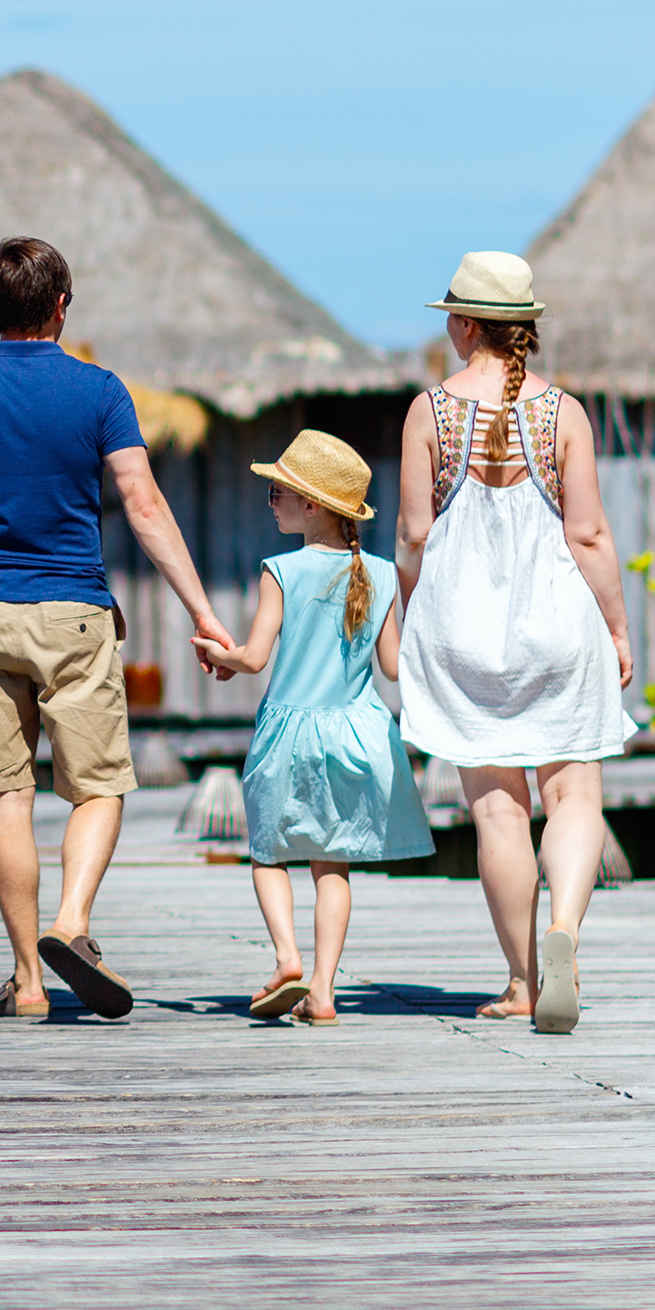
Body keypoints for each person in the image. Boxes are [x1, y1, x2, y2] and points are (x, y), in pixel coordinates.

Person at [0, 237, 235, 1020]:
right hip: (74, 613)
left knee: (5, 798)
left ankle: (26, 982)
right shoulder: (100, 391)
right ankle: (73, 922)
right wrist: (203, 612)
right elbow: (145, 506)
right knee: (99, 786)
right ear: (60, 306)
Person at [394, 251, 632, 1033]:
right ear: (525, 328)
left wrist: (407, 621)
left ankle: (524, 982)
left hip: (463, 635)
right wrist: (619, 628)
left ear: (463, 326)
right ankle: (564, 927)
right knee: (574, 795)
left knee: (500, 814)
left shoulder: (429, 412)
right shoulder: (564, 413)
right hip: (559, 626)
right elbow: (589, 534)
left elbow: (412, 537)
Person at [193, 429, 432, 1027]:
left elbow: (252, 658)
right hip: (357, 736)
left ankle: (287, 957)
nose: (271, 500)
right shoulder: (376, 573)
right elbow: (394, 667)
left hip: (289, 734)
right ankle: (323, 991)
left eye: (279, 492)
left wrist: (215, 650)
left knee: (268, 852)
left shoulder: (281, 570)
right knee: (334, 865)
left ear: (313, 506)